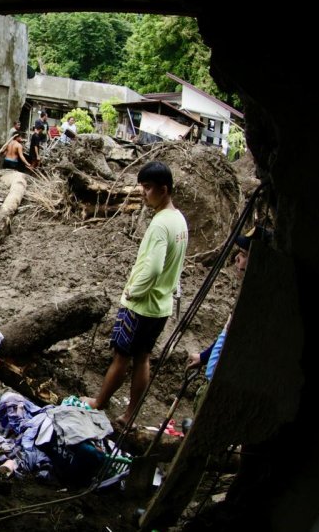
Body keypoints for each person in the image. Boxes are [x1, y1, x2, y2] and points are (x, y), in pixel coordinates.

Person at [85, 162, 188, 424]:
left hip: (141, 305)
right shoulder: (179, 220)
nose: (143, 193)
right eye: (142, 187)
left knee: (121, 357)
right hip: (161, 306)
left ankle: (99, 403)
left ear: (164, 190)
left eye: (148, 188)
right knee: (142, 359)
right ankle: (130, 416)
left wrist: (133, 291)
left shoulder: (160, 224)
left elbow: (153, 268)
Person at [185, 227, 263, 411]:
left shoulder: (255, 306)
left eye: (244, 254)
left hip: (221, 391)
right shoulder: (246, 296)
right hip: (213, 382)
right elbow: (226, 336)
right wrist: (203, 357)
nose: (237, 258)